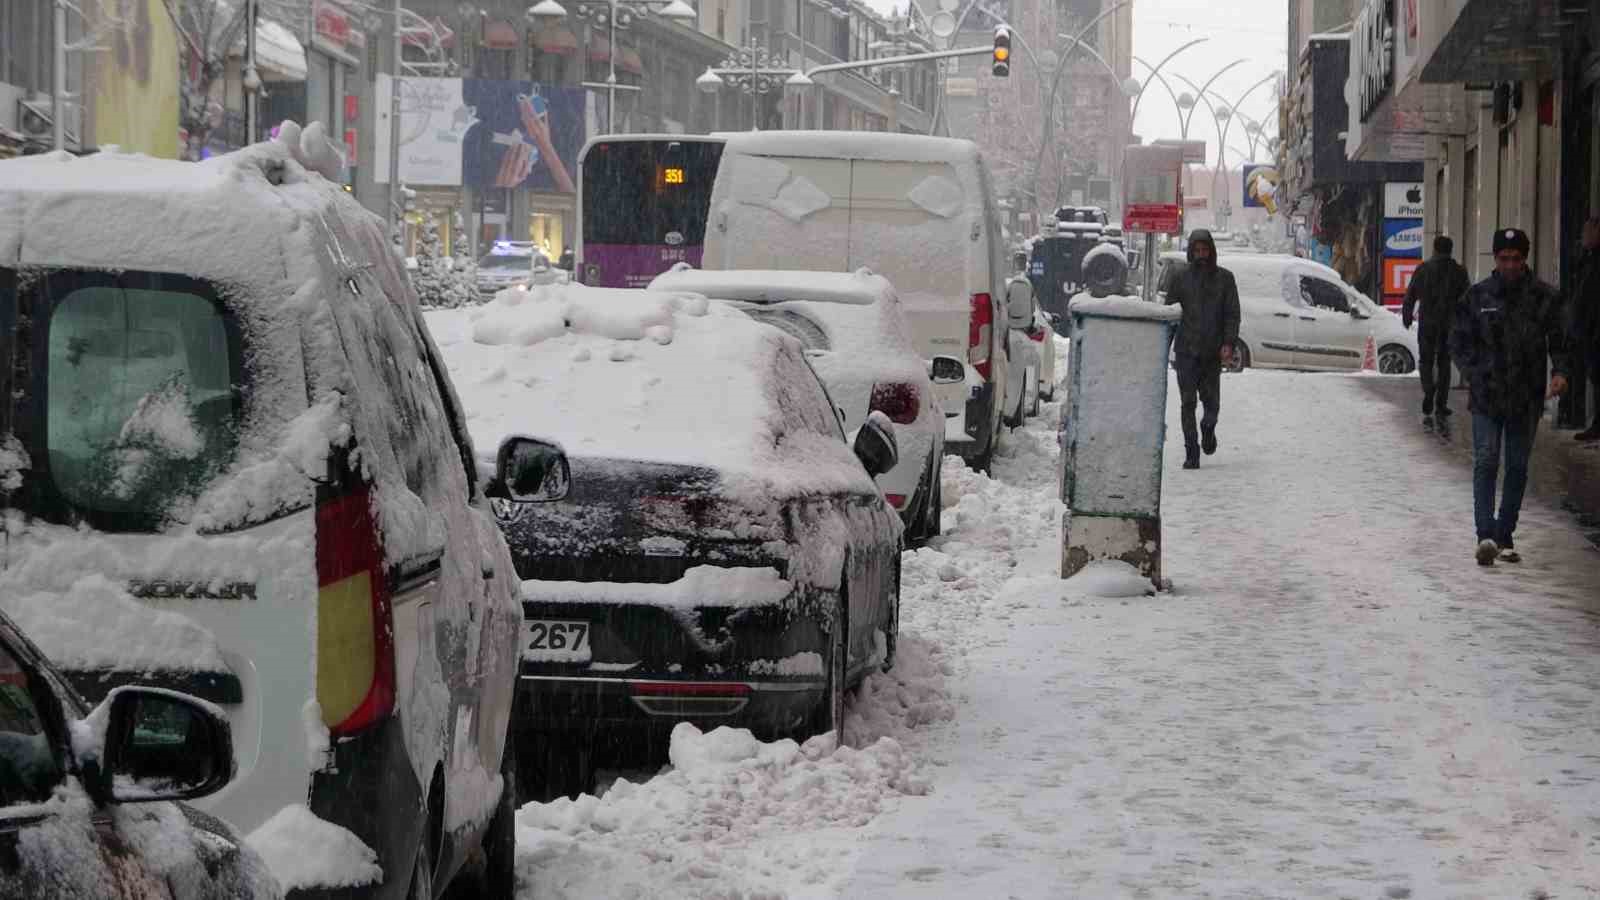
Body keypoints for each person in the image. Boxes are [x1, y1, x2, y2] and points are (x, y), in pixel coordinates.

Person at [1449, 228, 1570, 566]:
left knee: (1516, 467)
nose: (1510, 265)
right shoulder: (1477, 297)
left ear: (1525, 259)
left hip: (1526, 396)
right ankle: (1485, 534)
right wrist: (1474, 372)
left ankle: (1505, 534)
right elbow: (1458, 341)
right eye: (1504, 258)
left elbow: (1559, 339)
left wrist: (1560, 372)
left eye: (1516, 259)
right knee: (1486, 461)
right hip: (1487, 395)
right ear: (1495, 259)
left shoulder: (1544, 297)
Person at [1163, 229, 1241, 470]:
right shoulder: (1179, 278)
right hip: (1186, 352)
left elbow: (1232, 315)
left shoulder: (1225, 279)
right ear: (1190, 252)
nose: (1201, 255)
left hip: (1212, 352)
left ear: (1212, 251)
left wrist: (1228, 343)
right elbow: (1170, 315)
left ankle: (1208, 430)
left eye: (1205, 250)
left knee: (1211, 404)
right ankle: (1191, 452)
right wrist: (1162, 347)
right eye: (1196, 251)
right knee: (1187, 402)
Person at [1402, 235, 1470, 419]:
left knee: (1426, 360)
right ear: (1451, 249)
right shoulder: (1459, 271)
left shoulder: (1423, 269)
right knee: (1444, 362)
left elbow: (1410, 295)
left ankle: (1429, 390)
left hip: (1428, 322)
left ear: (1434, 249)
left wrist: (1407, 316)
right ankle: (1441, 404)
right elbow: (1467, 300)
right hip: (1450, 323)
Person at [1567, 215, 1600, 441]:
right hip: (1588, 330)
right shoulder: (1589, 259)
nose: (1584, 235)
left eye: (1589, 231)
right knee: (1595, 377)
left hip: (1595, 330)